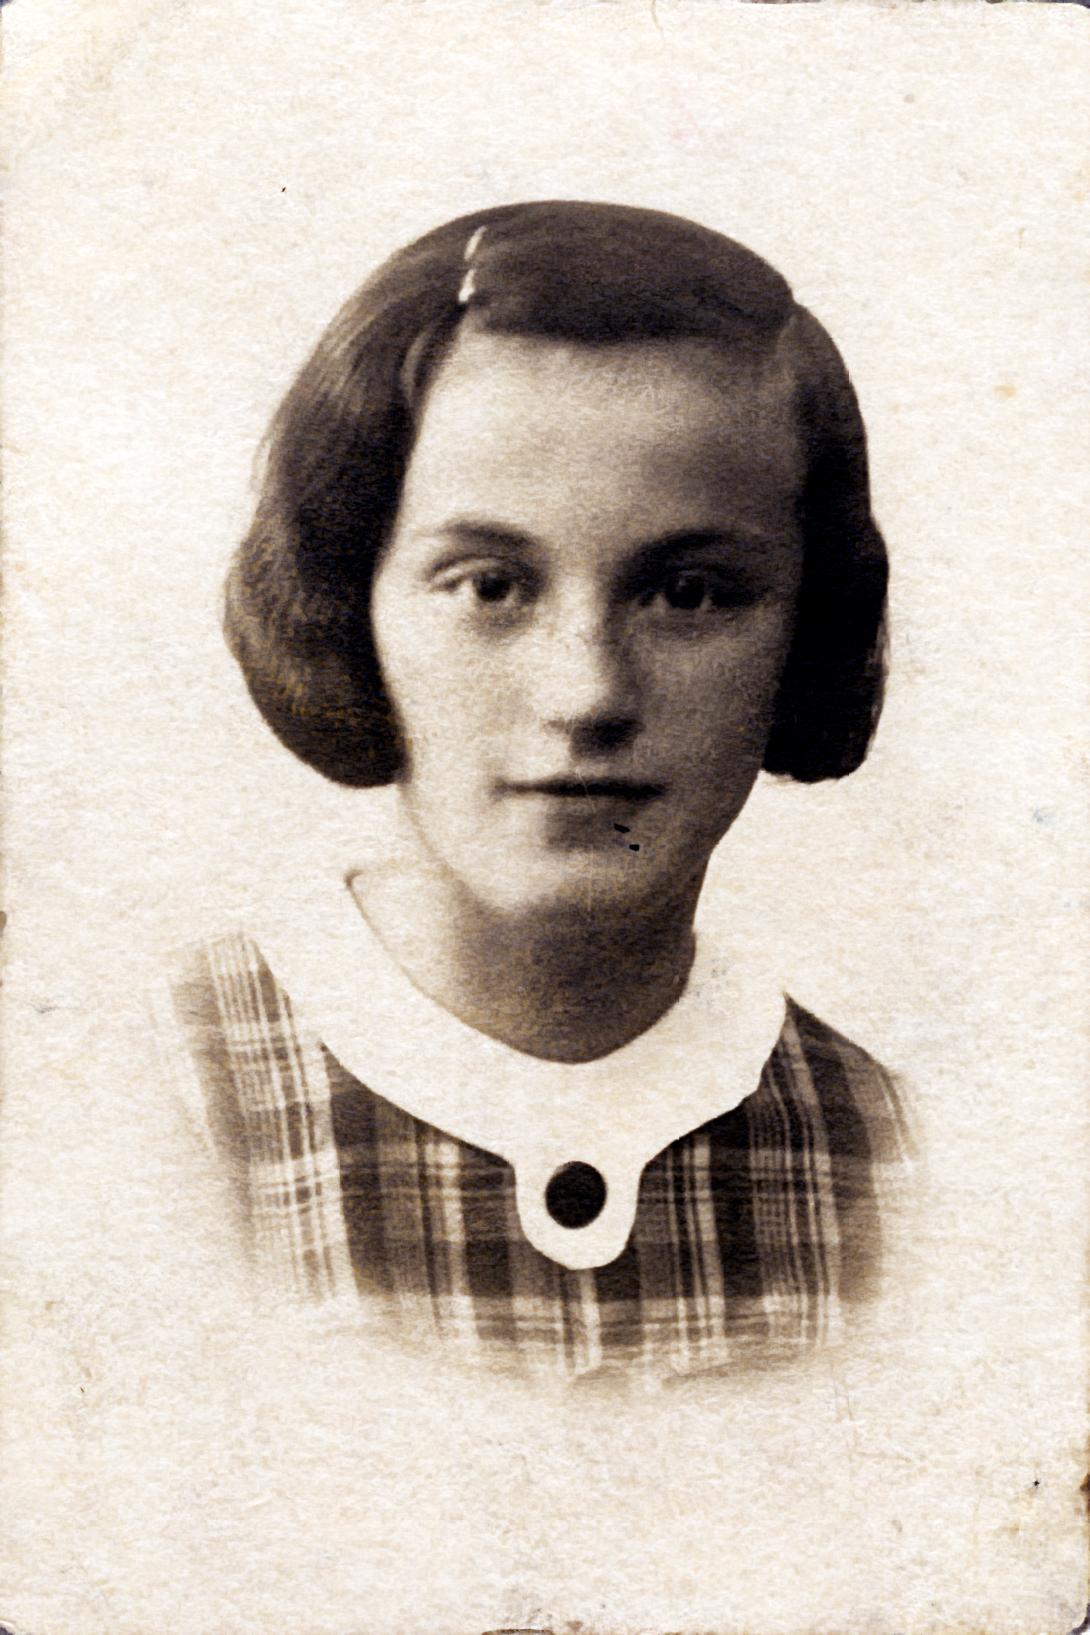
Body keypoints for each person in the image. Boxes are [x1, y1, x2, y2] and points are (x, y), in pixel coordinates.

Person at [153, 200, 915, 1384]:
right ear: (347, 602)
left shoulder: (902, 1166)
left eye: (691, 594)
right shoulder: (141, 1103)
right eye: (490, 586)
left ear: (803, 635)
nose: (586, 694)